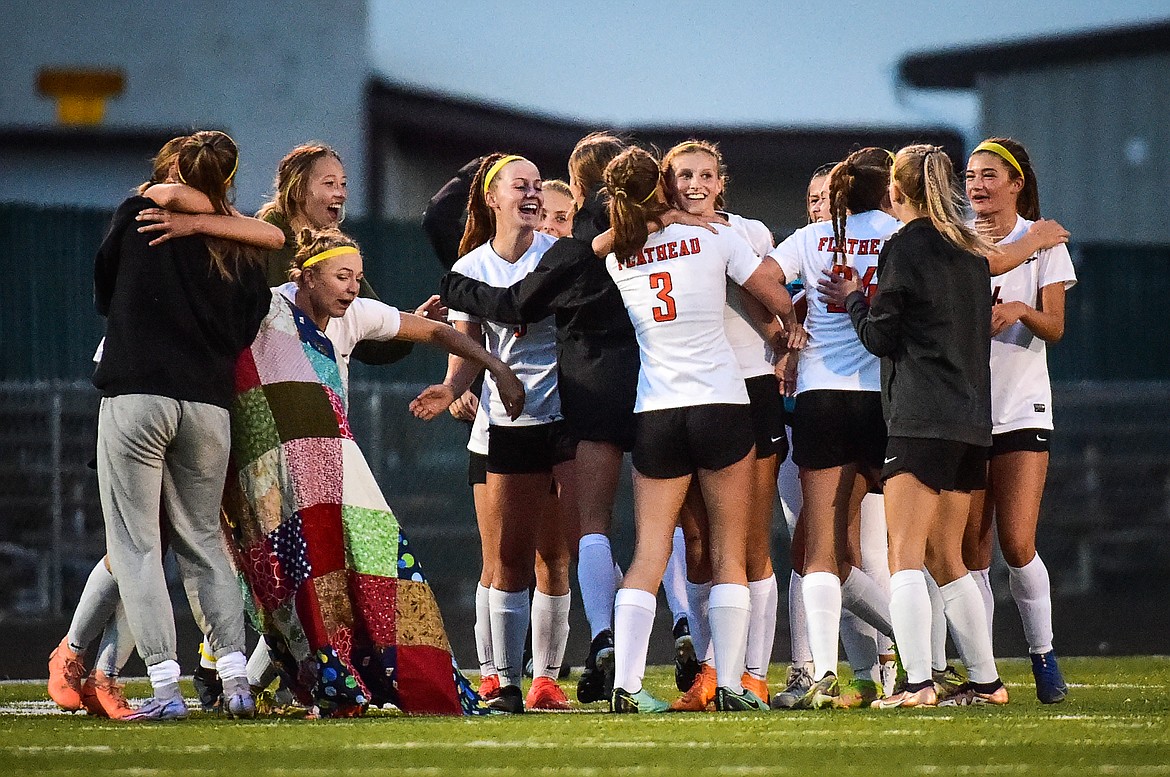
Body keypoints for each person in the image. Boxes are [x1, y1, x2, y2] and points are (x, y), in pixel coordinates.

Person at [223, 227, 523, 717]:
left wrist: (494, 365)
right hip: (271, 477)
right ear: (306, 275)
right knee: (291, 584)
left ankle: (369, 680)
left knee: (377, 565)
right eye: (342, 277)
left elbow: (434, 331)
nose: (352, 289)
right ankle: (258, 678)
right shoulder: (263, 310)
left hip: (334, 472)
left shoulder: (355, 314)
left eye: (358, 279)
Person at [47, 136, 287, 719]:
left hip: (137, 395)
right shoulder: (242, 244)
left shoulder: (139, 214)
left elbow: (106, 291)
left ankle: (163, 687)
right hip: (208, 404)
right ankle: (234, 680)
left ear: (176, 170)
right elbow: (249, 318)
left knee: (136, 547)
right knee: (205, 544)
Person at [600, 146, 805, 713]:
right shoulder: (717, 237)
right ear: (664, 184)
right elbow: (777, 296)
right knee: (731, 552)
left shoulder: (620, 253)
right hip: (720, 401)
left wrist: (654, 218)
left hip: (657, 410)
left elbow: (595, 247)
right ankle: (735, 686)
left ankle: (626, 685)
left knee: (648, 552)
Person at [820, 143, 1007, 709]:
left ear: (895, 192)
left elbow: (881, 336)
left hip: (921, 417)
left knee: (904, 552)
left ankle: (918, 683)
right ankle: (986, 681)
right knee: (947, 558)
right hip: (971, 421)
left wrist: (854, 299)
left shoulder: (905, 246)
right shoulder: (970, 249)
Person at [443, 153, 578, 714]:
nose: (531, 194)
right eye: (518, 186)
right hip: (505, 423)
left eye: (536, 187)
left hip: (565, 419)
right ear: (492, 199)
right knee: (502, 557)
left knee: (557, 554)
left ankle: (546, 678)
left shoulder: (562, 257)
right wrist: (450, 389)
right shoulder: (472, 266)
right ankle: (502, 679)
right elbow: (467, 348)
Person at [768, 148, 902, 709]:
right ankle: (926, 658)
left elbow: (761, 280)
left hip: (822, 397)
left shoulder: (809, 239)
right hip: (886, 399)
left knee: (821, 548)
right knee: (890, 549)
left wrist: (791, 320)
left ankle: (822, 673)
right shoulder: (900, 234)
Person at [653, 140, 784, 710]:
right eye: (685, 175)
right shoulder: (654, 236)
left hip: (750, 388)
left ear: (722, 181)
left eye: (707, 174)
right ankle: (711, 668)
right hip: (688, 396)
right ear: (668, 181)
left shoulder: (747, 232)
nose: (697, 184)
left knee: (751, 540)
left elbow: (779, 301)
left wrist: (786, 339)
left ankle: (751, 671)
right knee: (699, 544)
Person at [962, 137, 1075, 704]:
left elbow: (1055, 326)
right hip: (962, 411)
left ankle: (1043, 655)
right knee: (968, 551)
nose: (977, 185)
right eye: (970, 175)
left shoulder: (1044, 242)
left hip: (1021, 405)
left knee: (1017, 541)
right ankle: (986, 676)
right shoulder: (954, 241)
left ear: (1016, 183)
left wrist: (1021, 310)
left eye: (988, 175)